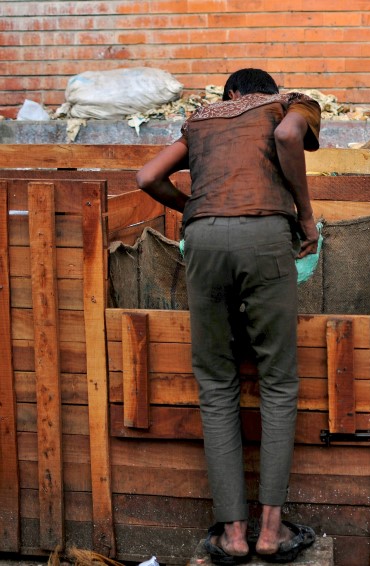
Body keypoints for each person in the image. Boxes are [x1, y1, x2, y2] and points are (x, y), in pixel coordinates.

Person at [136, 68, 320, 564]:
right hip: (265, 237)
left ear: (231, 95)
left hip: (203, 241)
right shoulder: (290, 105)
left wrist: (192, 205)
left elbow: (147, 177)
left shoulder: (200, 120)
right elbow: (286, 137)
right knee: (278, 382)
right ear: (266, 93)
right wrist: (304, 215)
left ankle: (233, 535)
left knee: (216, 382)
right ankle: (271, 532)